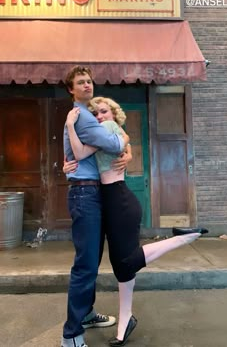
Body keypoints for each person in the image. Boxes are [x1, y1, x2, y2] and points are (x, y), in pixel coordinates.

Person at [64, 96, 208, 346]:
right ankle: (124, 321)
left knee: (126, 263)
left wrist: (69, 126)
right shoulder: (108, 133)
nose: (99, 117)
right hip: (109, 201)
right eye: (95, 113)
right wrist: (70, 167)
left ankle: (183, 237)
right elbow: (90, 155)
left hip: (119, 202)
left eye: (103, 111)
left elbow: (81, 151)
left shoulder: (107, 130)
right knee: (121, 266)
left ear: (113, 114)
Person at [62, 66, 131, 347]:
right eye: (81, 82)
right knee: (86, 265)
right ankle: (71, 334)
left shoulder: (82, 117)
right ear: (71, 90)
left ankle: (86, 314)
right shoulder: (84, 119)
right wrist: (124, 140)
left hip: (92, 193)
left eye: (89, 81)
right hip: (85, 194)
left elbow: (75, 155)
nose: (87, 85)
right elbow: (114, 144)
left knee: (91, 261)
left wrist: (127, 148)